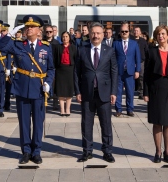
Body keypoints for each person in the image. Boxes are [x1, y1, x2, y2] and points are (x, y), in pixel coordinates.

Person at [0, 15, 54, 165]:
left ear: (38, 30)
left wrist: (48, 82)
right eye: (26, 26)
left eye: (32, 27)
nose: (28, 29)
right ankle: (26, 151)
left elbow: (51, 69)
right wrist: (8, 34)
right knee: (24, 122)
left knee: (38, 122)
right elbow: (0, 47)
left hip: (39, 89)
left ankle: (37, 151)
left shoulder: (45, 47)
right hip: (22, 88)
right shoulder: (18, 44)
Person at [74, 22, 118, 163]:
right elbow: (76, 73)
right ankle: (87, 152)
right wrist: (77, 91)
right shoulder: (82, 50)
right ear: (89, 34)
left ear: (103, 34)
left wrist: (114, 92)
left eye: (98, 33)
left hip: (104, 93)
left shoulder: (109, 51)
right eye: (93, 33)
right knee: (86, 124)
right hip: (87, 93)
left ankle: (107, 152)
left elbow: (114, 72)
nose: (95, 36)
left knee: (106, 124)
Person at [143, 25, 168, 164]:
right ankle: (158, 152)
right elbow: (147, 75)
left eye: (163, 34)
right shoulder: (151, 52)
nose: (160, 36)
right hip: (156, 90)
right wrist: (146, 92)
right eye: (158, 34)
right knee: (157, 122)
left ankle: (167, 152)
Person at [112, 22, 140, 117]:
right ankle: (118, 109)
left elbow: (138, 58)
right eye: (122, 31)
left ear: (129, 32)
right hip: (118, 72)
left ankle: (130, 109)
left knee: (130, 92)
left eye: (126, 31)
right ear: (120, 32)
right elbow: (112, 57)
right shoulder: (115, 43)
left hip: (130, 71)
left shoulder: (134, 43)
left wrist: (137, 71)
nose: (124, 33)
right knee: (118, 91)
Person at [52, 32, 77, 116]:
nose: (65, 38)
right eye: (63, 37)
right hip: (60, 70)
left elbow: (76, 60)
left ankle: (68, 109)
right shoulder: (58, 47)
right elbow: (54, 60)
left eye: (66, 36)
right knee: (60, 90)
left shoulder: (73, 47)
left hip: (70, 70)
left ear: (69, 38)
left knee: (69, 91)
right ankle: (62, 110)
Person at [1, 23, 14, 111]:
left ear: (8, 31)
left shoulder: (11, 40)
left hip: (9, 66)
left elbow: (10, 54)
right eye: (2, 31)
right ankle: (0, 104)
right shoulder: (0, 40)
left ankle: (7, 103)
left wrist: (9, 67)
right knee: (0, 87)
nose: (4, 33)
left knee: (8, 87)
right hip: (0, 65)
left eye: (5, 31)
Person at [133, 26, 148, 100]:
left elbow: (146, 51)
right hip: (131, 62)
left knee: (141, 77)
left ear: (140, 32)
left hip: (141, 61)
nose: (136, 32)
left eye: (137, 31)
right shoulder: (130, 40)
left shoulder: (143, 41)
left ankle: (141, 93)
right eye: (135, 30)